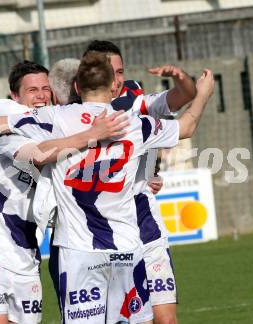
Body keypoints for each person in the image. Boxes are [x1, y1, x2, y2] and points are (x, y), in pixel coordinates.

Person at [0, 51, 214, 323]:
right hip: (126, 248)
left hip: (78, 252)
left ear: (77, 87)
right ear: (113, 85)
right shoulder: (133, 123)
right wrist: (203, 92)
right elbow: (187, 125)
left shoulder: (57, 118)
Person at [0, 60, 127, 324]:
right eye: (32, 90)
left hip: (26, 251)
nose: (40, 96)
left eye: (45, 89)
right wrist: (91, 134)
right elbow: (37, 155)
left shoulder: (52, 127)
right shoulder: (9, 130)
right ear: (15, 97)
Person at [84, 40, 198, 324]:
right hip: (103, 231)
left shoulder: (132, 98)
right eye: (110, 73)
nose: (116, 80)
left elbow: (166, 113)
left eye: (120, 72)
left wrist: (148, 172)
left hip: (144, 220)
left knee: (166, 319)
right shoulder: (76, 113)